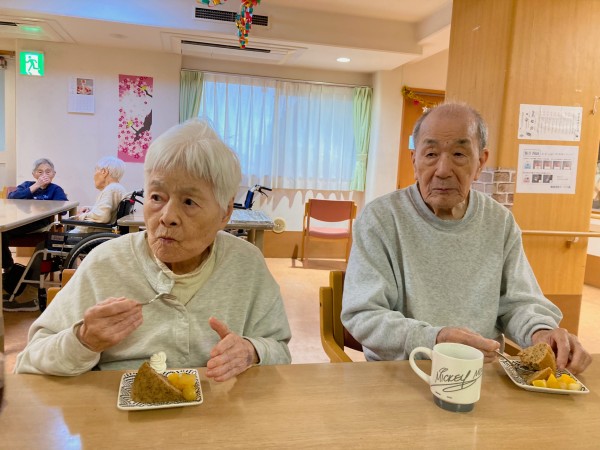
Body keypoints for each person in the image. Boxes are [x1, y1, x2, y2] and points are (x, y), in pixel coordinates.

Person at [14, 118, 292, 381]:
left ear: (225, 212)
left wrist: (252, 352)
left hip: (218, 411)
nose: (167, 217)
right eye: (157, 196)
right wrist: (84, 340)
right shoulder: (106, 262)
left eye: (189, 202)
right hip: (116, 412)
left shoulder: (246, 264)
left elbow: (279, 349)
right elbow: (30, 360)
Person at [341, 102, 592, 374]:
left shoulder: (499, 222)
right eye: (431, 154)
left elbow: (519, 302)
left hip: (481, 375)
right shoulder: (380, 218)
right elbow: (363, 314)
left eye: (459, 154)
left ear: (481, 162)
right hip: (401, 374)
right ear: (414, 160)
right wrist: (435, 339)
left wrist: (541, 331)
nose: (443, 169)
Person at [2, 158, 68, 312]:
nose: (44, 175)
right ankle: (9, 267)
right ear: (34, 174)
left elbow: (64, 208)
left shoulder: (55, 189)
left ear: (54, 174)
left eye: (48, 172)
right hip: (19, 222)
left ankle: (14, 275)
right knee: (2, 232)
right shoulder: (27, 185)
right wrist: (36, 186)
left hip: (39, 224)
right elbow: (11, 199)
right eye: (40, 172)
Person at [69, 156, 128, 233]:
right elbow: (108, 211)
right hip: (100, 232)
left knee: (60, 234)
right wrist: (91, 209)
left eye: (95, 171)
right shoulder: (118, 188)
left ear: (104, 172)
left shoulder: (110, 190)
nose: (94, 176)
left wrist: (80, 217)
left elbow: (102, 216)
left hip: (91, 234)